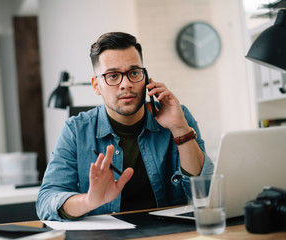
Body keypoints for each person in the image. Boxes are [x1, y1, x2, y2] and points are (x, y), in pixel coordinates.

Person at [36, 32, 214, 221]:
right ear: (96, 85)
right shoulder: (76, 130)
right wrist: (89, 201)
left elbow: (205, 191)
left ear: (146, 78)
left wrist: (179, 129)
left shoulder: (178, 115)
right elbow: (46, 201)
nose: (126, 84)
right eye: (113, 76)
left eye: (134, 72)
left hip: (169, 233)